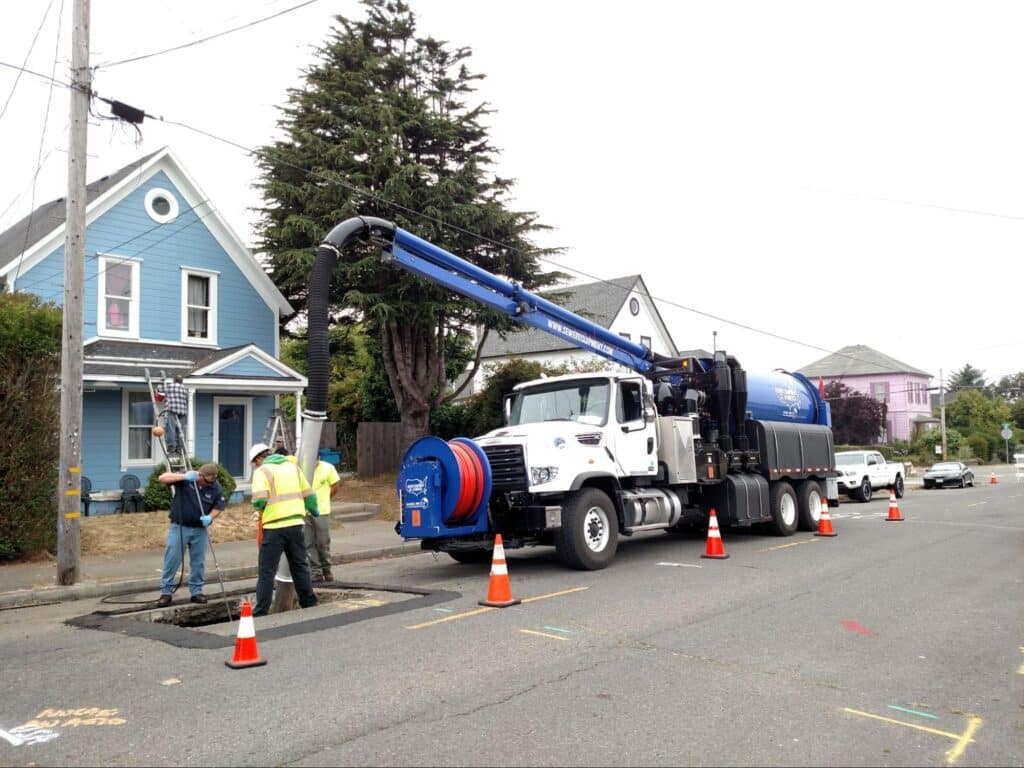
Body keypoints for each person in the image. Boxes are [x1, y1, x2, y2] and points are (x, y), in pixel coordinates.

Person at [249, 442, 319, 616]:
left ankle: (261, 611)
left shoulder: (262, 471)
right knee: (300, 566)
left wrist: (259, 508)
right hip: (295, 524)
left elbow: (260, 500)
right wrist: (315, 510)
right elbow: (309, 494)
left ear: (258, 459)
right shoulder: (293, 468)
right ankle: (309, 602)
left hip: (274, 526)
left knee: (266, 571)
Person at [156, 463, 226, 606]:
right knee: (172, 559)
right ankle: (166, 592)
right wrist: (184, 476)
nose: (208, 484)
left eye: (211, 482)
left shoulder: (215, 486)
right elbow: (162, 478)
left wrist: (210, 517)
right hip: (180, 526)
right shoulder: (187, 479)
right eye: (206, 481)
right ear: (200, 475)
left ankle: (196, 592)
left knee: (198, 562)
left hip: (200, 529)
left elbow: (218, 506)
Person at [305, 458, 341, 582]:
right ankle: (316, 571)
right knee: (308, 543)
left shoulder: (328, 468)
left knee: (322, 542)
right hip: (305, 511)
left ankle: (326, 569)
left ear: (318, 458)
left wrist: (326, 498)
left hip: (322, 511)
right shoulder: (302, 468)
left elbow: (335, 486)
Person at [159, 375, 189, 453]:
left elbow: (159, 389)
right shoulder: (185, 389)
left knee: (171, 428)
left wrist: (162, 382)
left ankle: (171, 446)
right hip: (182, 411)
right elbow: (186, 399)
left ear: (174, 380)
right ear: (181, 381)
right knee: (181, 430)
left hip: (172, 409)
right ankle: (180, 448)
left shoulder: (170, 386)